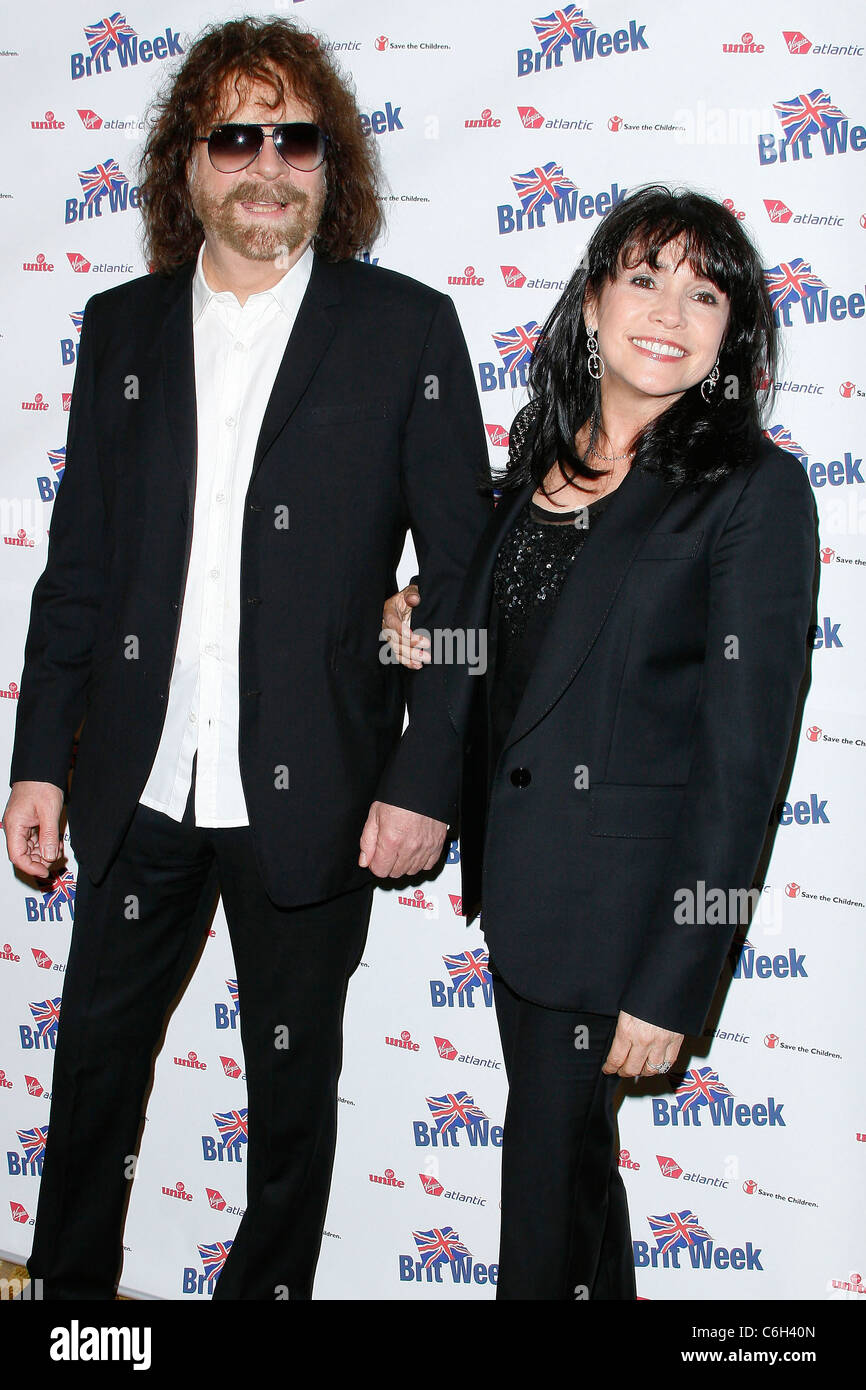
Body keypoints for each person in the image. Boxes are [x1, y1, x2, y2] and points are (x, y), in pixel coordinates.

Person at [3, 16, 490, 1300]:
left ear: (329, 166)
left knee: (287, 1105)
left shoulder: (405, 333)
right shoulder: (119, 331)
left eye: (296, 137)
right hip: (135, 789)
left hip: (319, 792)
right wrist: (39, 759)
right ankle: (68, 1317)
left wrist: (427, 770)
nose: (267, 163)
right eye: (235, 135)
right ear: (188, 163)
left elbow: (467, 582)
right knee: (93, 1079)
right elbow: (80, 569)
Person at [382, 185, 817, 1300]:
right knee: (574, 1182)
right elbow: (516, 649)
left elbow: (743, 765)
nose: (668, 307)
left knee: (538, 1199)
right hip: (526, 903)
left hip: (624, 926)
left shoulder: (751, 492)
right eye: (642, 276)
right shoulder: (541, 463)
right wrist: (420, 624)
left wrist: (677, 978)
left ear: (732, 334)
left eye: (702, 290)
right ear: (589, 303)